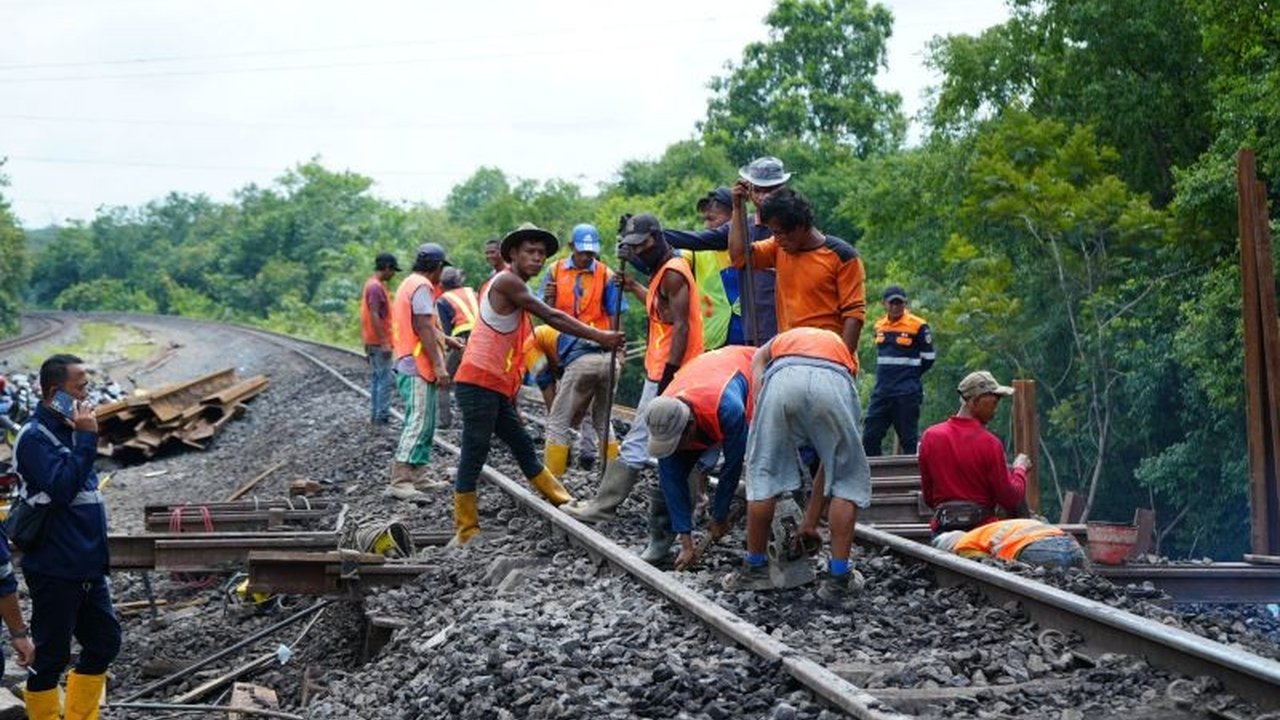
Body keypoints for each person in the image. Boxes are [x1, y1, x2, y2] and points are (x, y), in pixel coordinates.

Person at [451, 223, 624, 545]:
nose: (537, 258)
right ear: (513, 254)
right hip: (477, 383)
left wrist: (511, 392)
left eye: (542, 254)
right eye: (529, 251)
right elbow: (553, 316)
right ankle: (466, 529)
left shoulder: (515, 286)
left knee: (521, 445)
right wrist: (600, 336)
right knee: (475, 451)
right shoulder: (508, 282)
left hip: (494, 386)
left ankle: (562, 500)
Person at [562, 213, 704, 565]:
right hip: (663, 368)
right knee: (663, 445)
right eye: (633, 247)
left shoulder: (673, 270)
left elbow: (682, 327)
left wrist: (670, 375)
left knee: (643, 440)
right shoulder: (660, 272)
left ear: (656, 238)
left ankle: (604, 507)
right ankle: (619, 508)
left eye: (642, 246)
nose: (639, 252)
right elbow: (664, 315)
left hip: (673, 372)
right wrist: (637, 288)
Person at [722, 328, 871, 597]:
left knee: (764, 473)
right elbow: (830, 466)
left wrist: (760, 397)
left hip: (782, 380)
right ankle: (839, 577)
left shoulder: (784, 338)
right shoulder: (844, 351)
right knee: (846, 478)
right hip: (834, 381)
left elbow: (758, 359)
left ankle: (755, 568)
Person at [12, 354, 119, 720]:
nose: (87, 394)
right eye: (81, 387)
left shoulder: (71, 428)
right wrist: (86, 440)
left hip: (87, 563)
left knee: (104, 642)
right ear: (56, 393)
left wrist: (82, 436)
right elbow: (61, 488)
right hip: (55, 565)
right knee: (51, 655)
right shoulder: (34, 437)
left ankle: (79, 716)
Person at [662, 156, 795, 346]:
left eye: (771, 190)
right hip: (755, 326)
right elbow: (700, 239)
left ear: (783, 189)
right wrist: (654, 234)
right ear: (749, 190)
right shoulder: (742, 226)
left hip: (792, 323)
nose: (765, 197)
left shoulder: (796, 225)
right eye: (758, 190)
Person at [644, 345, 756, 570]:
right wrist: (686, 543)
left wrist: (719, 516)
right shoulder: (664, 414)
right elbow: (672, 481)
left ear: (691, 427)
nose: (674, 448)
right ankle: (662, 539)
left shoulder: (728, 409)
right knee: (671, 471)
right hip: (705, 376)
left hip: (749, 371)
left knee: (761, 463)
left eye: (678, 441)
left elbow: (732, 468)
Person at [728, 185, 865, 358]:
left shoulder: (843, 256)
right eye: (774, 233)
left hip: (828, 352)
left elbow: (854, 315)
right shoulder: (778, 248)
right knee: (758, 361)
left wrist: (841, 360)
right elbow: (740, 257)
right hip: (790, 349)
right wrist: (738, 208)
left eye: (780, 233)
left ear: (800, 227)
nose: (777, 239)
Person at [539, 223, 627, 475]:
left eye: (591, 252)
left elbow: (614, 315)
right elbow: (547, 312)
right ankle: (610, 477)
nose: (587, 256)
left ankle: (553, 481)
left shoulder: (607, 275)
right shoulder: (555, 272)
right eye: (582, 252)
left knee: (558, 421)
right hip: (597, 357)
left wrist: (618, 351)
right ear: (571, 248)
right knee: (602, 421)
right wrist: (548, 298)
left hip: (586, 358)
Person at [387, 243, 460, 501]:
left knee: (426, 422)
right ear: (438, 267)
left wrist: (447, 340)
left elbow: (425, 324)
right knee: (418, 420)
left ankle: (419, 475)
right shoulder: (422, 286)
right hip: (417, 363)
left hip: (415, 361)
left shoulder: (410, 282)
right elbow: (423, 327)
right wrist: (440, 365)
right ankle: (400, 479)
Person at [918, 371, 1031, 534]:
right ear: (974, 401)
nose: (995, 409)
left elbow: (929, 498)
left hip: (943, 530)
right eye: (994, 401)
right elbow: (1010, 499)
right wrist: (1020, 470)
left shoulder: (930, 437)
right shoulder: (990, 443)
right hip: (982, 533)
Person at [863, 285, 935, 456]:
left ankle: (912, 478)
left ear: (905, 304)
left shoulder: (918, 326)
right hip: (882, 391)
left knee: (908, 440)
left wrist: (910, 377)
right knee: (870, 436)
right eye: (892, 303)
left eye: (899, 303)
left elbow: (929, 359)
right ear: (884, 304)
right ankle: (876, 478)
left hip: (906, 392)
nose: (896, 307)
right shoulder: (879, 325)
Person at [932, 519, 1086, 569]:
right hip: (1071, 545)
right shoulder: (983, 533)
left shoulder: (963, 546)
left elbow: (986, 567)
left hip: (1038, 549)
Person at [360, 252, 400, 426]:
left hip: (373, 340)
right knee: (384, 378)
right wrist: (384, 341)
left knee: (378, 377)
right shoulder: (375, 287)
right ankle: (381, 416)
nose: (393, 274)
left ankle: (376, 414)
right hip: (378, 342)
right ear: (386, 267)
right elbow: (374, 314)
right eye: (393, 270)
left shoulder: (373, 285)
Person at [436, 267, 477, 430]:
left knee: (443, 381)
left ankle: (444, 421)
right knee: (476, 381)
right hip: (482, 338)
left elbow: (447, 333)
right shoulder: (472, 293)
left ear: (442, 285)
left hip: (461, 340)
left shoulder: (443, 300)